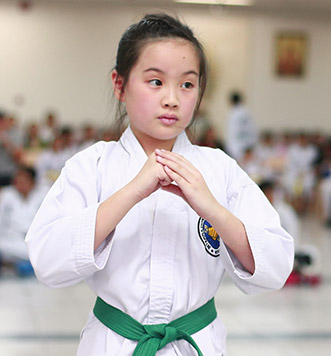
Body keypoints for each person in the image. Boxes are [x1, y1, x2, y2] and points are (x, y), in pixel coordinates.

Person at [25, 14, 294, 356]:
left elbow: (276, 266)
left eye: (187, 84)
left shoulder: (218, 169)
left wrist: (210, 207)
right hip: (113, 343)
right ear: (120, 85)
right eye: (155, 82)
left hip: (197, 341)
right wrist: (132, 191)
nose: (172, 99)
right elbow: (48, 261)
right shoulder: (91, 166)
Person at [0, 166, 46, 276]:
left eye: (23, 181)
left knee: (44, 252)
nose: (19, 185)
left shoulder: (43, 194)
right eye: (17, 181)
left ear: (32, 182)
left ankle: (27, 264)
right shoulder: (7, 195)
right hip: (11, 240)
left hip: (35, 240)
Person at [224, 91, 258, 160]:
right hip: (249, 146)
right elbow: (253, 129)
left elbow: (232, 132)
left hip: (237, 147)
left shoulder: (233, 113)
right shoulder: (247, 111)